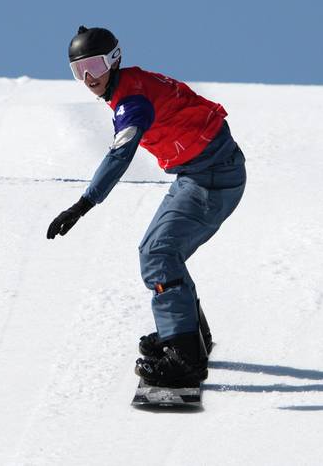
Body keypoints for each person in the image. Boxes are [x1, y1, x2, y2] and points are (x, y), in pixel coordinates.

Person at [46, 26, 247, 388]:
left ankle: (185, 358)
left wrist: (83, 204)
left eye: (93, 65)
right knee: (156, 251)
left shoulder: (131, 101)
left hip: (213, 176)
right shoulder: (130, 85)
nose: (88, 78)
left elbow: (120, 154)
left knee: (159, 253)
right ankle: (187, 335)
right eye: (78, 71)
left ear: (113, 59)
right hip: (201, 171)